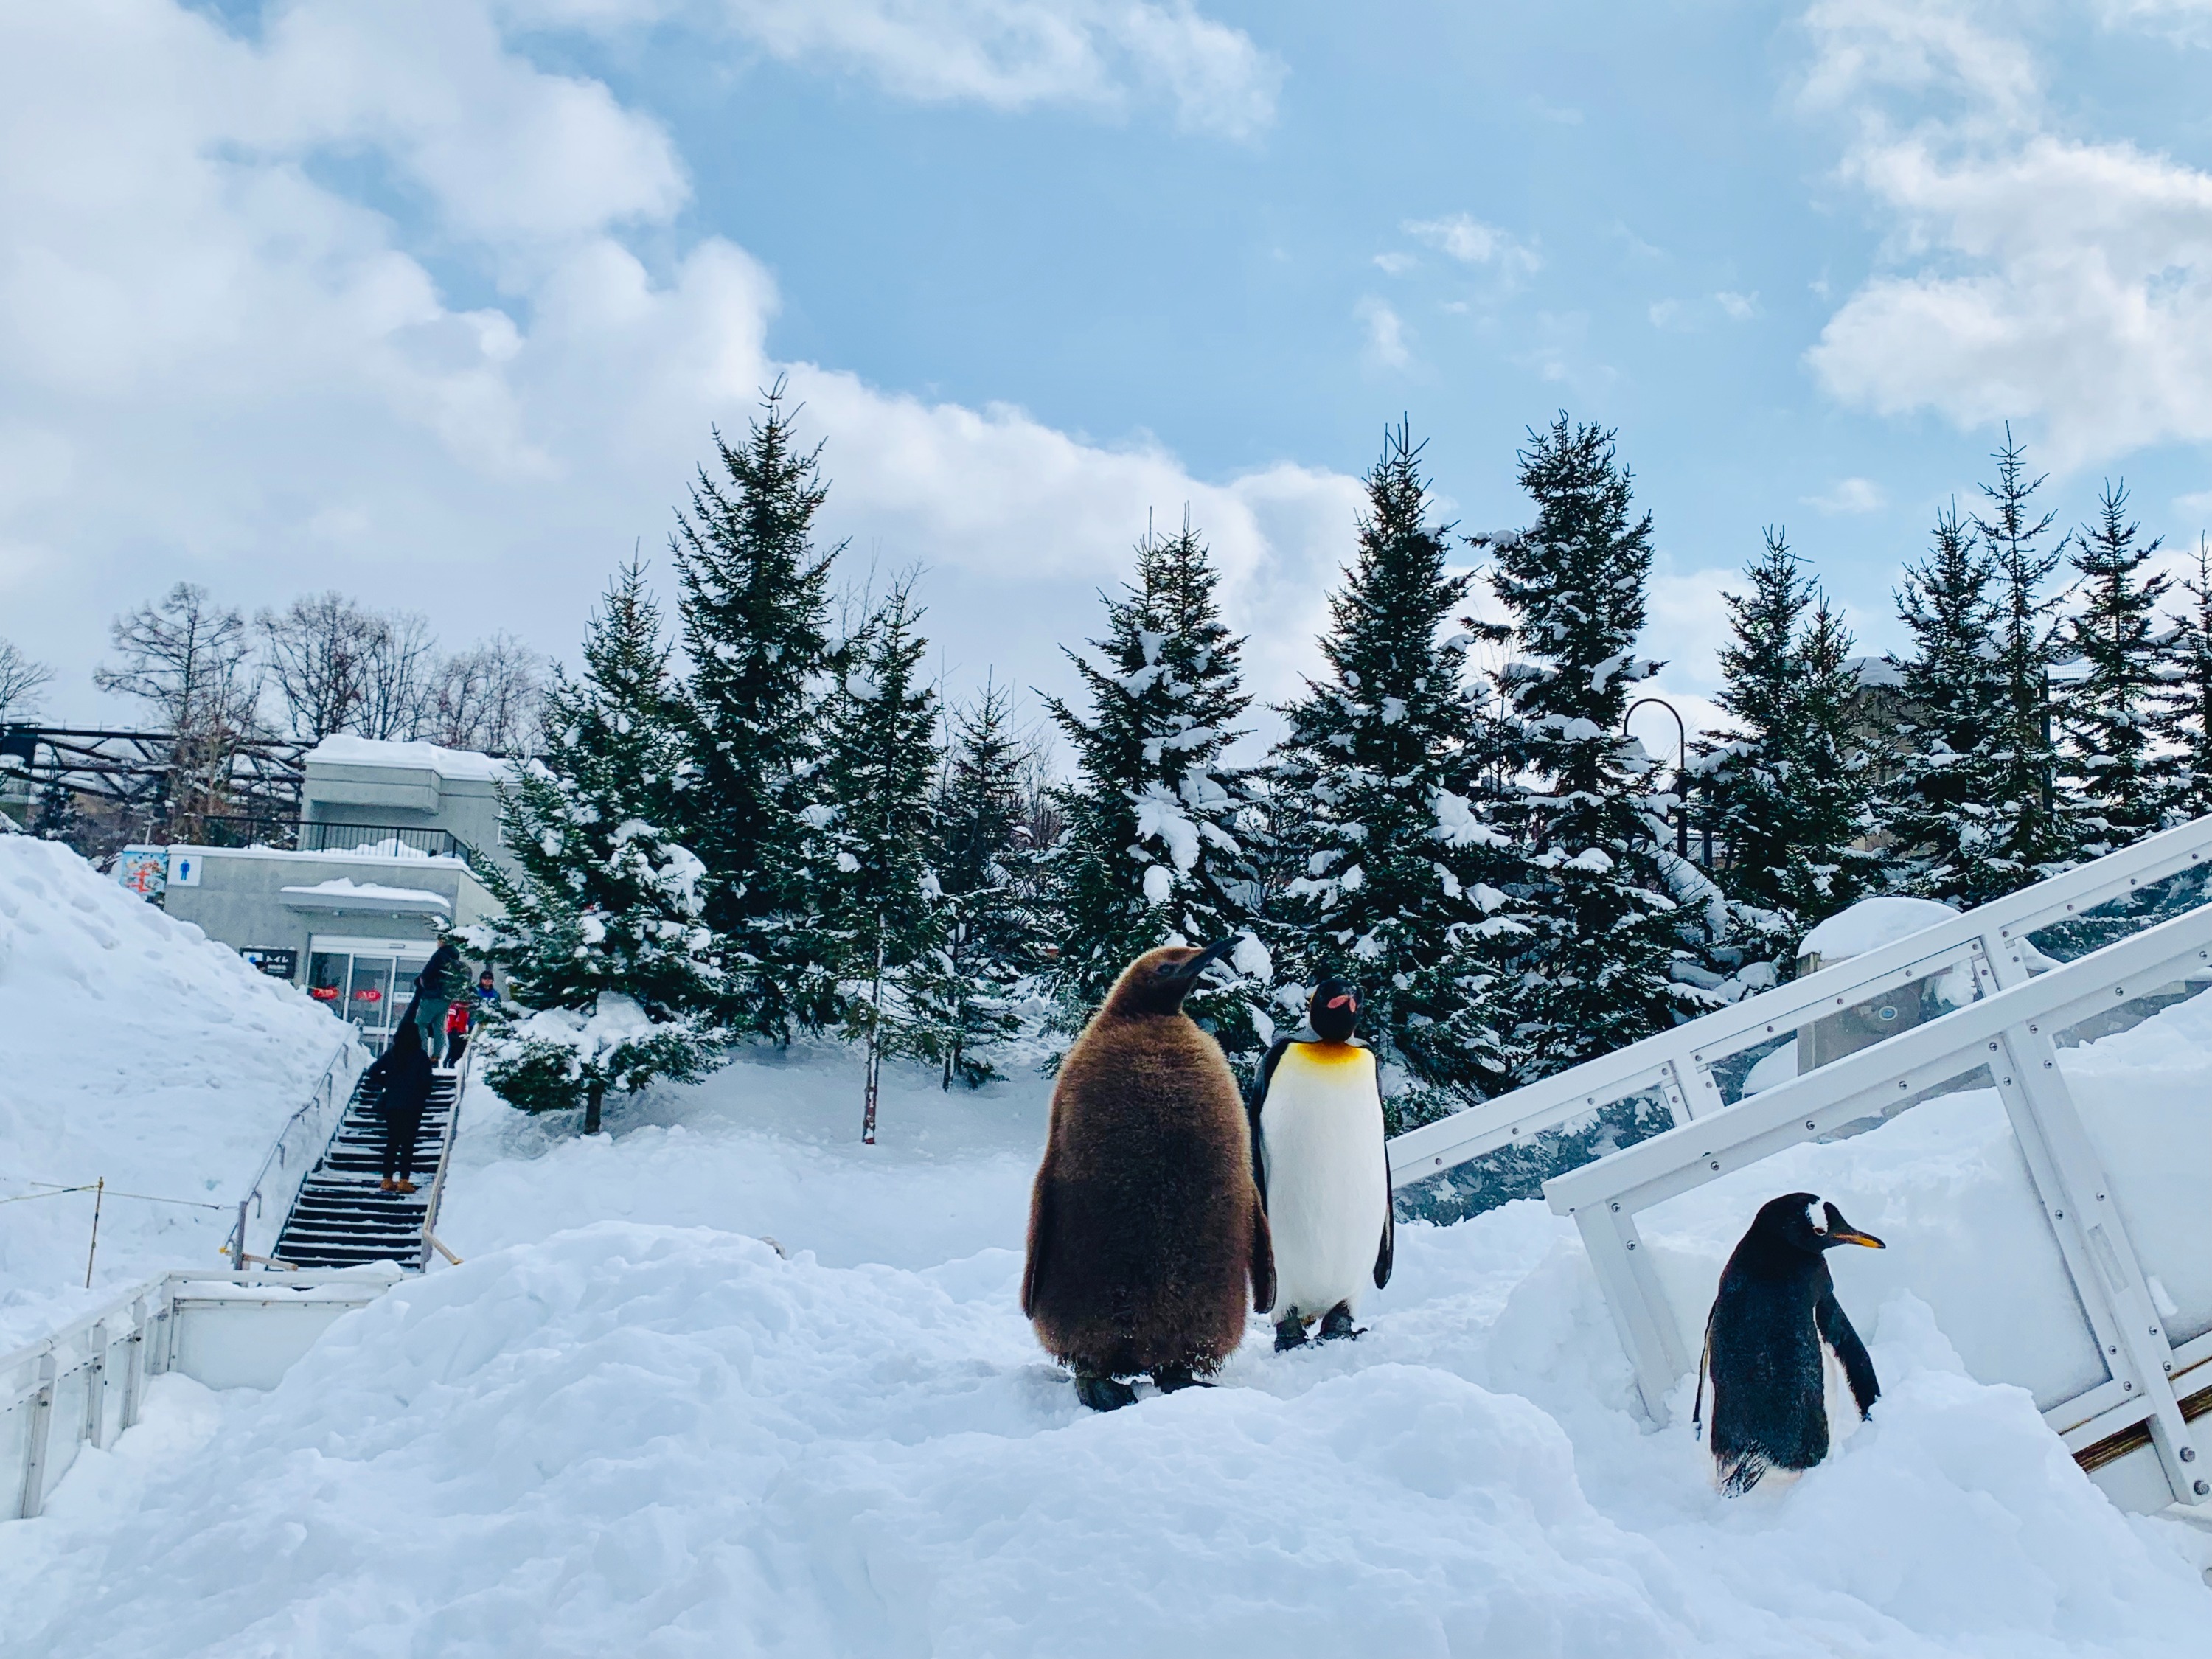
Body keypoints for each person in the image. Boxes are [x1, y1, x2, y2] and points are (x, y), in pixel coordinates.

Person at [366, 1020, 434, 1195]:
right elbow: (427, 1082)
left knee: (392, 1141)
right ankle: (404, 1180)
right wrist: (421, 1094)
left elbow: (372, 1071)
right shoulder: (420, 1056)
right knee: (408, 1143)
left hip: (392, 1104)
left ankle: (387, 1179)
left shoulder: (392, 1054)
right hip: (413, 1105)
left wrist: (388, 1083)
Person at [408, 942, 465, 1066]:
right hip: (445, 998)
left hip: (431, 996)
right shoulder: (454, 956)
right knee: (438, 1026)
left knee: (421, 1023)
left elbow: (427, 973)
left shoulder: (439, 955)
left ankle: (422, 1053)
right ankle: (436, 1055)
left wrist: (423, 984)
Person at [443, 995, 472, 1066]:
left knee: (461, 1049)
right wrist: (453, 1029)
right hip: (454, 1030)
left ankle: (450, 1061)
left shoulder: (467, 1009)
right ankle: (448, 1062)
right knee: (453, 1048)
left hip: (462, 1031)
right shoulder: (454, 1008)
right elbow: (451, 1019)